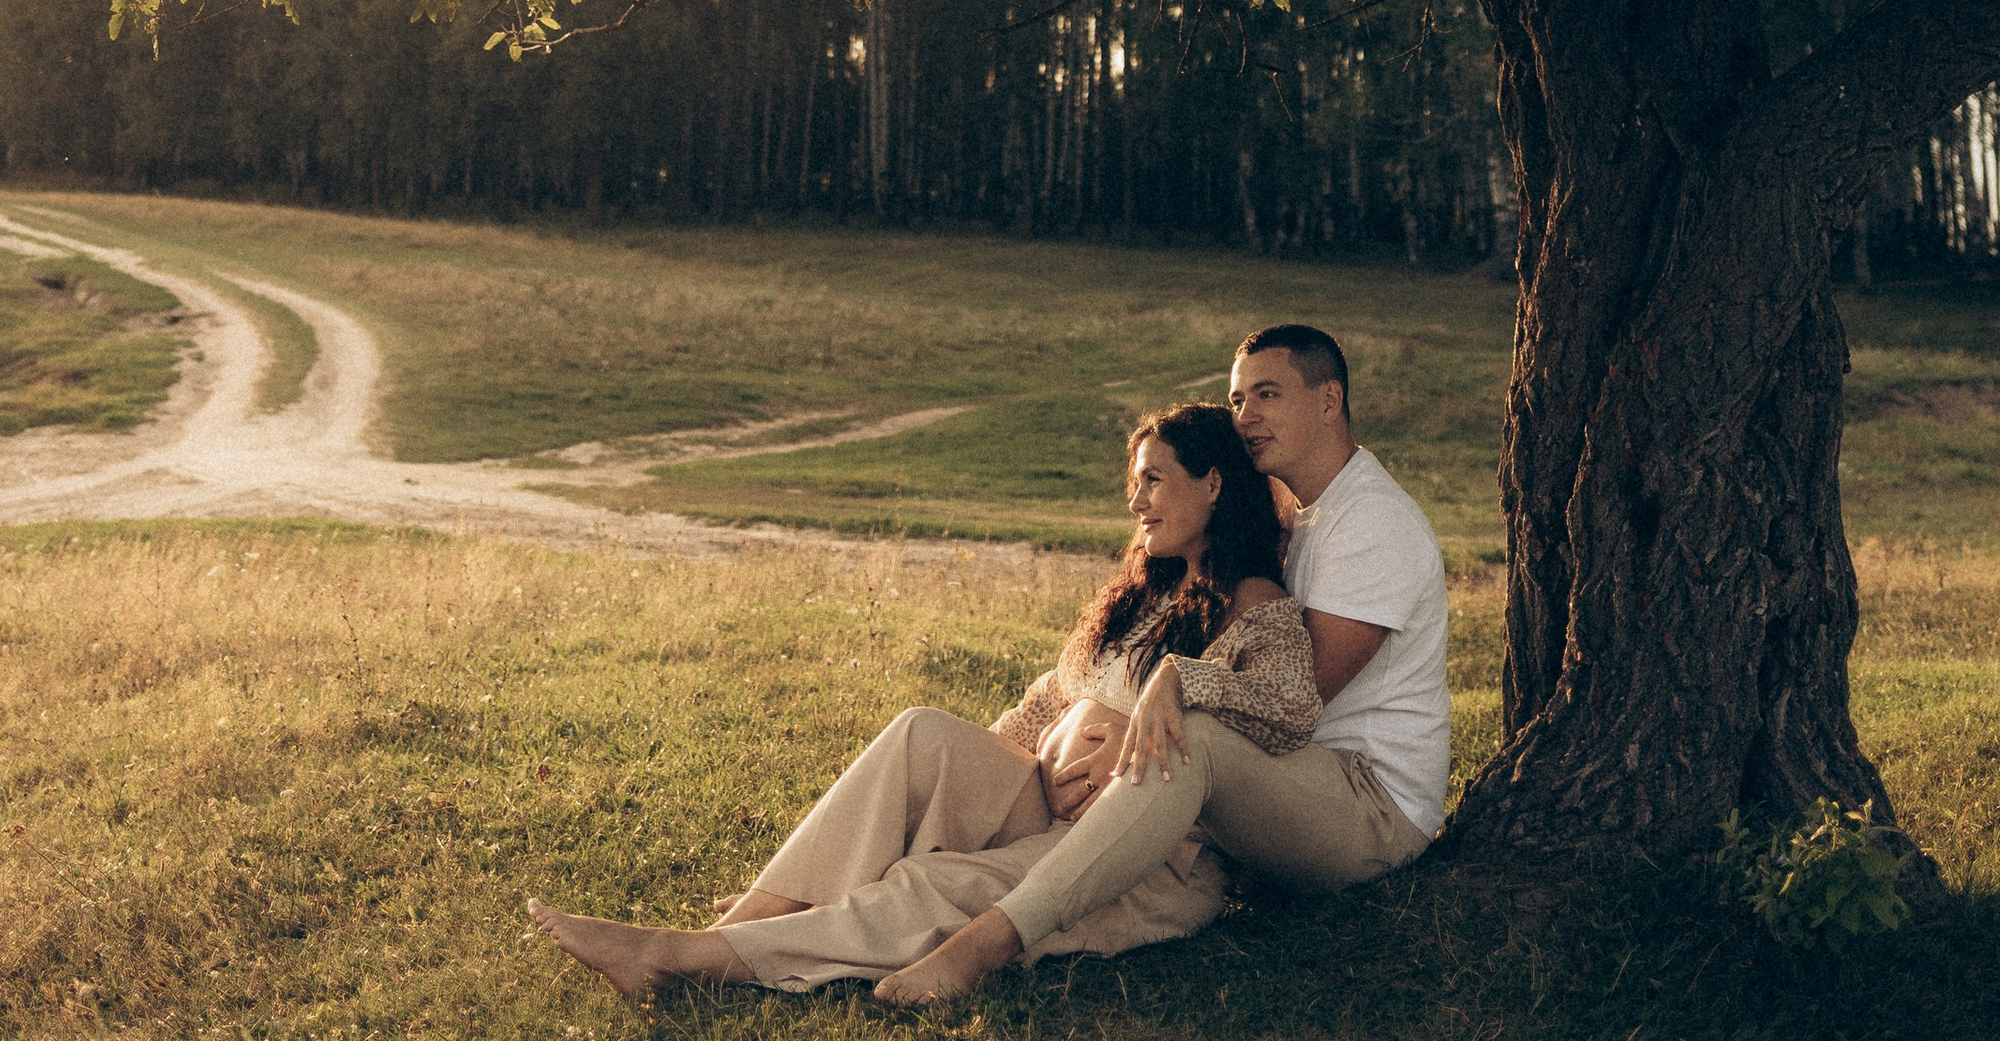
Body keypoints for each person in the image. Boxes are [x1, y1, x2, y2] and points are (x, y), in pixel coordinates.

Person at [526, 401, 1319, 1000]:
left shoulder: (1255, 605)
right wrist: (1017, 764)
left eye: (1153, 480)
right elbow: (1053, 696)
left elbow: (1289, 705)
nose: (1135, 500)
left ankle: (682, 962)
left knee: (929, 889)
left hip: (1150, 858)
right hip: (1047, 799)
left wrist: (1177, 685)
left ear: (1212, 483)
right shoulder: (1145, 594)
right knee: (922, 736)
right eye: (1133, 480)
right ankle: (745, 922)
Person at [865, 322, 1447, 1005]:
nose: (1247, 416)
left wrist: (1151, 708)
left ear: (1329, 401)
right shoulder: (1297, 513)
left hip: (1368, 803)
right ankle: (835, 898)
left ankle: (982, 948)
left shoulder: (1373, 523)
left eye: (1268, 394)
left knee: (1187, 740)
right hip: (1284, 780)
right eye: (1237, 400)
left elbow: (1296, 698)